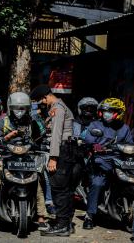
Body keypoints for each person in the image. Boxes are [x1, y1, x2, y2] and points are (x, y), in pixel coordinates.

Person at [0, 92, 48, 231]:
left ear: (28, 108)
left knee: (38, 186)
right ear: (10, 108)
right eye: (16, 108)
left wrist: (41, 144)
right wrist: (8, 136)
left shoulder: (33, 121)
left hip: (27, 159)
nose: (19, 111)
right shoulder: (2, 122)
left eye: (23, 108)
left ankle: (41, 216)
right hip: (5, 157)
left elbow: (40, 138)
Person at [83, 98, 134, 230]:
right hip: (101, 160)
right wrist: (95, 145)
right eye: (104, 111)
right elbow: (88, 139)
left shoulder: (125, 128)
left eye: (110, 111)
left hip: (120, 162)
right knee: (97, 183)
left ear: (119, 112)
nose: (106, 114)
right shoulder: (96, 125)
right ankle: (89, 215)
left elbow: (130, 144)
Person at [31, 85, 75, 237]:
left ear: (45, 97)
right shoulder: (59, 107)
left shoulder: (58, 108)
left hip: (61, 152)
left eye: (39, 101)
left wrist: (53, 158)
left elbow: (56, 135)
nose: (40, 104)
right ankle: (66, 223)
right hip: (65, 151)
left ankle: (62, 225)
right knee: (65, 189)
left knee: (59, 189)